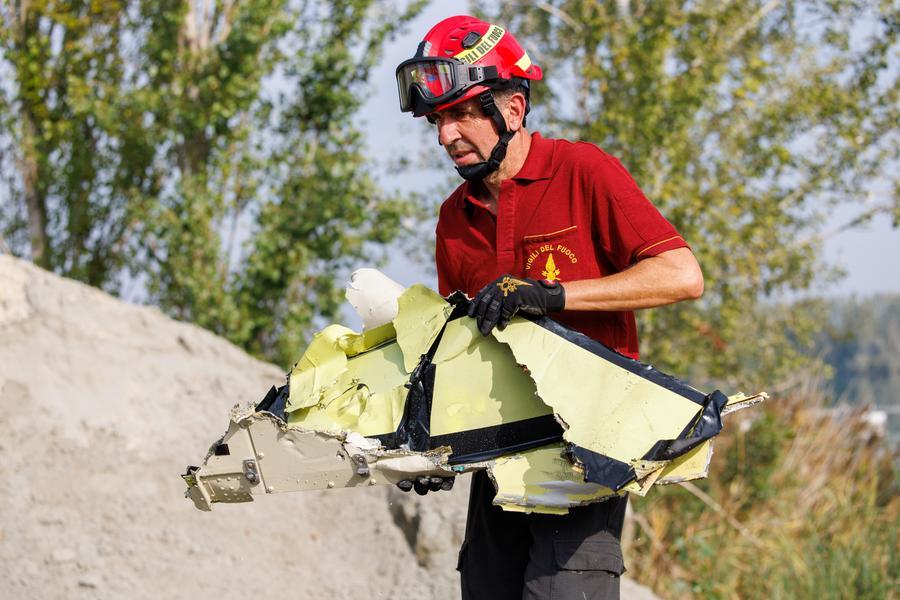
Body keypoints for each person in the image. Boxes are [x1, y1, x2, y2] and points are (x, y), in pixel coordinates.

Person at [395, 15, 704, 600]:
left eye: (461, 114)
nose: (445, 136)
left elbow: (682, 275)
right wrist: (428, 448)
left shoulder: (582, 170)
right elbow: (456, 352)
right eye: (438, 120)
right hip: (496, 461)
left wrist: (556, 295)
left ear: (512, 109)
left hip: (585, 450)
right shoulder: (453, 218)